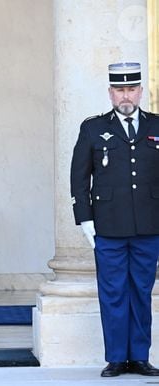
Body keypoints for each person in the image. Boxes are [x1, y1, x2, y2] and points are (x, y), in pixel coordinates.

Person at [70, 62, 159, 377]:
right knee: (113, 293)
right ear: (110, 93)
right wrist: (84, 220)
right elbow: (79, 177)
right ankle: (117, 357)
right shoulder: (93, 128)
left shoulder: (156, 126)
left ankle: (139, 356)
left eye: (131, 89)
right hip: (107, 226)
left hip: (149, 226)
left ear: (140, 91)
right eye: (119, 89)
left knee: (141, 292)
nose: (126, 95)